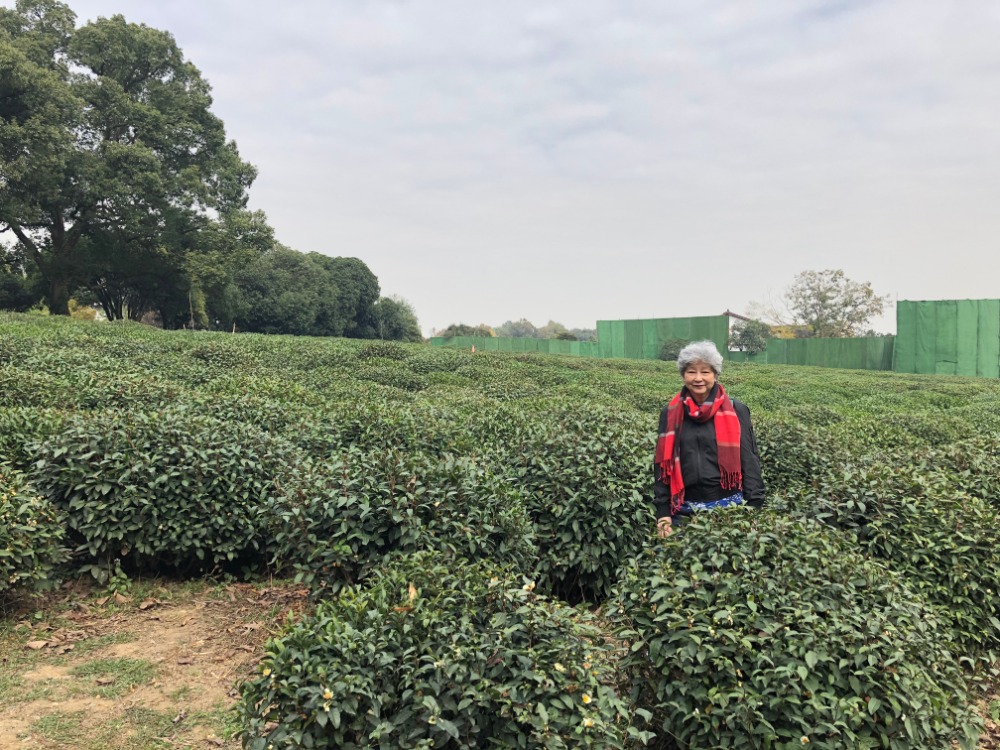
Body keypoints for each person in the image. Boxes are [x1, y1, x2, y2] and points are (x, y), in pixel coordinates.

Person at [653, 340, 765, 537]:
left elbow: (749, 459)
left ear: (715, 374)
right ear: (683, 374)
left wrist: (753, 509)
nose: (698, 378)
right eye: (691, 371)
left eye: (705, 371)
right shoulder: (670, 412)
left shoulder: (736, 409)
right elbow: (662, 466)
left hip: (729, 510)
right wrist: (663, 513)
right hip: (682, 512)